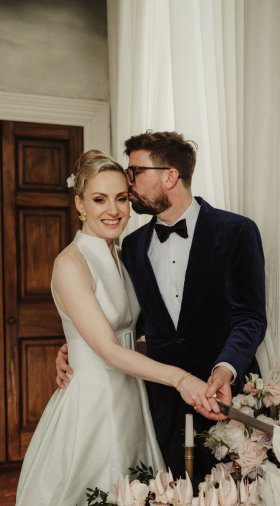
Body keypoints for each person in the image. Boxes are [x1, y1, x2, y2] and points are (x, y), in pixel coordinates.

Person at [0, 150, 225, 506]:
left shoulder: (120, 254)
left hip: (129, 398)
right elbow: (104, 348)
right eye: (99, 200)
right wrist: (180, 379)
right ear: (79, 203)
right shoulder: (70, 262)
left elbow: (126, 335)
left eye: (121, 198)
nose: (114, 210)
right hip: (92, 403)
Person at [57, 131, 267, 477]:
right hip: (157, 404)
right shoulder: (133, 246)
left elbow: (250, 316)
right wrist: (74, 345)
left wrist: (225, 368)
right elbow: (126, 321)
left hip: (223, 395)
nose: (129, 180)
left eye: (135, 172)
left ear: (170, 176)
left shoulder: (237, 231)